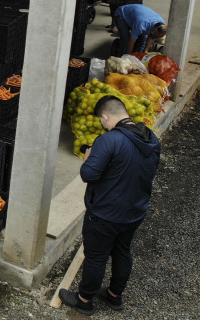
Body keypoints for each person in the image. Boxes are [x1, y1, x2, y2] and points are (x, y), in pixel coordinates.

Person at [59, 96, 160, 316]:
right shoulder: (151, 138)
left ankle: (84, 300)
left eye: (102, 120)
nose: (103, 125)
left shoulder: (109, 140)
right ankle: (114, 296)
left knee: (96, 255)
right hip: (135, 210)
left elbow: (89, 175)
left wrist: (88, 159)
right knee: (122, 251)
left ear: (105, 116)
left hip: (106, 212)